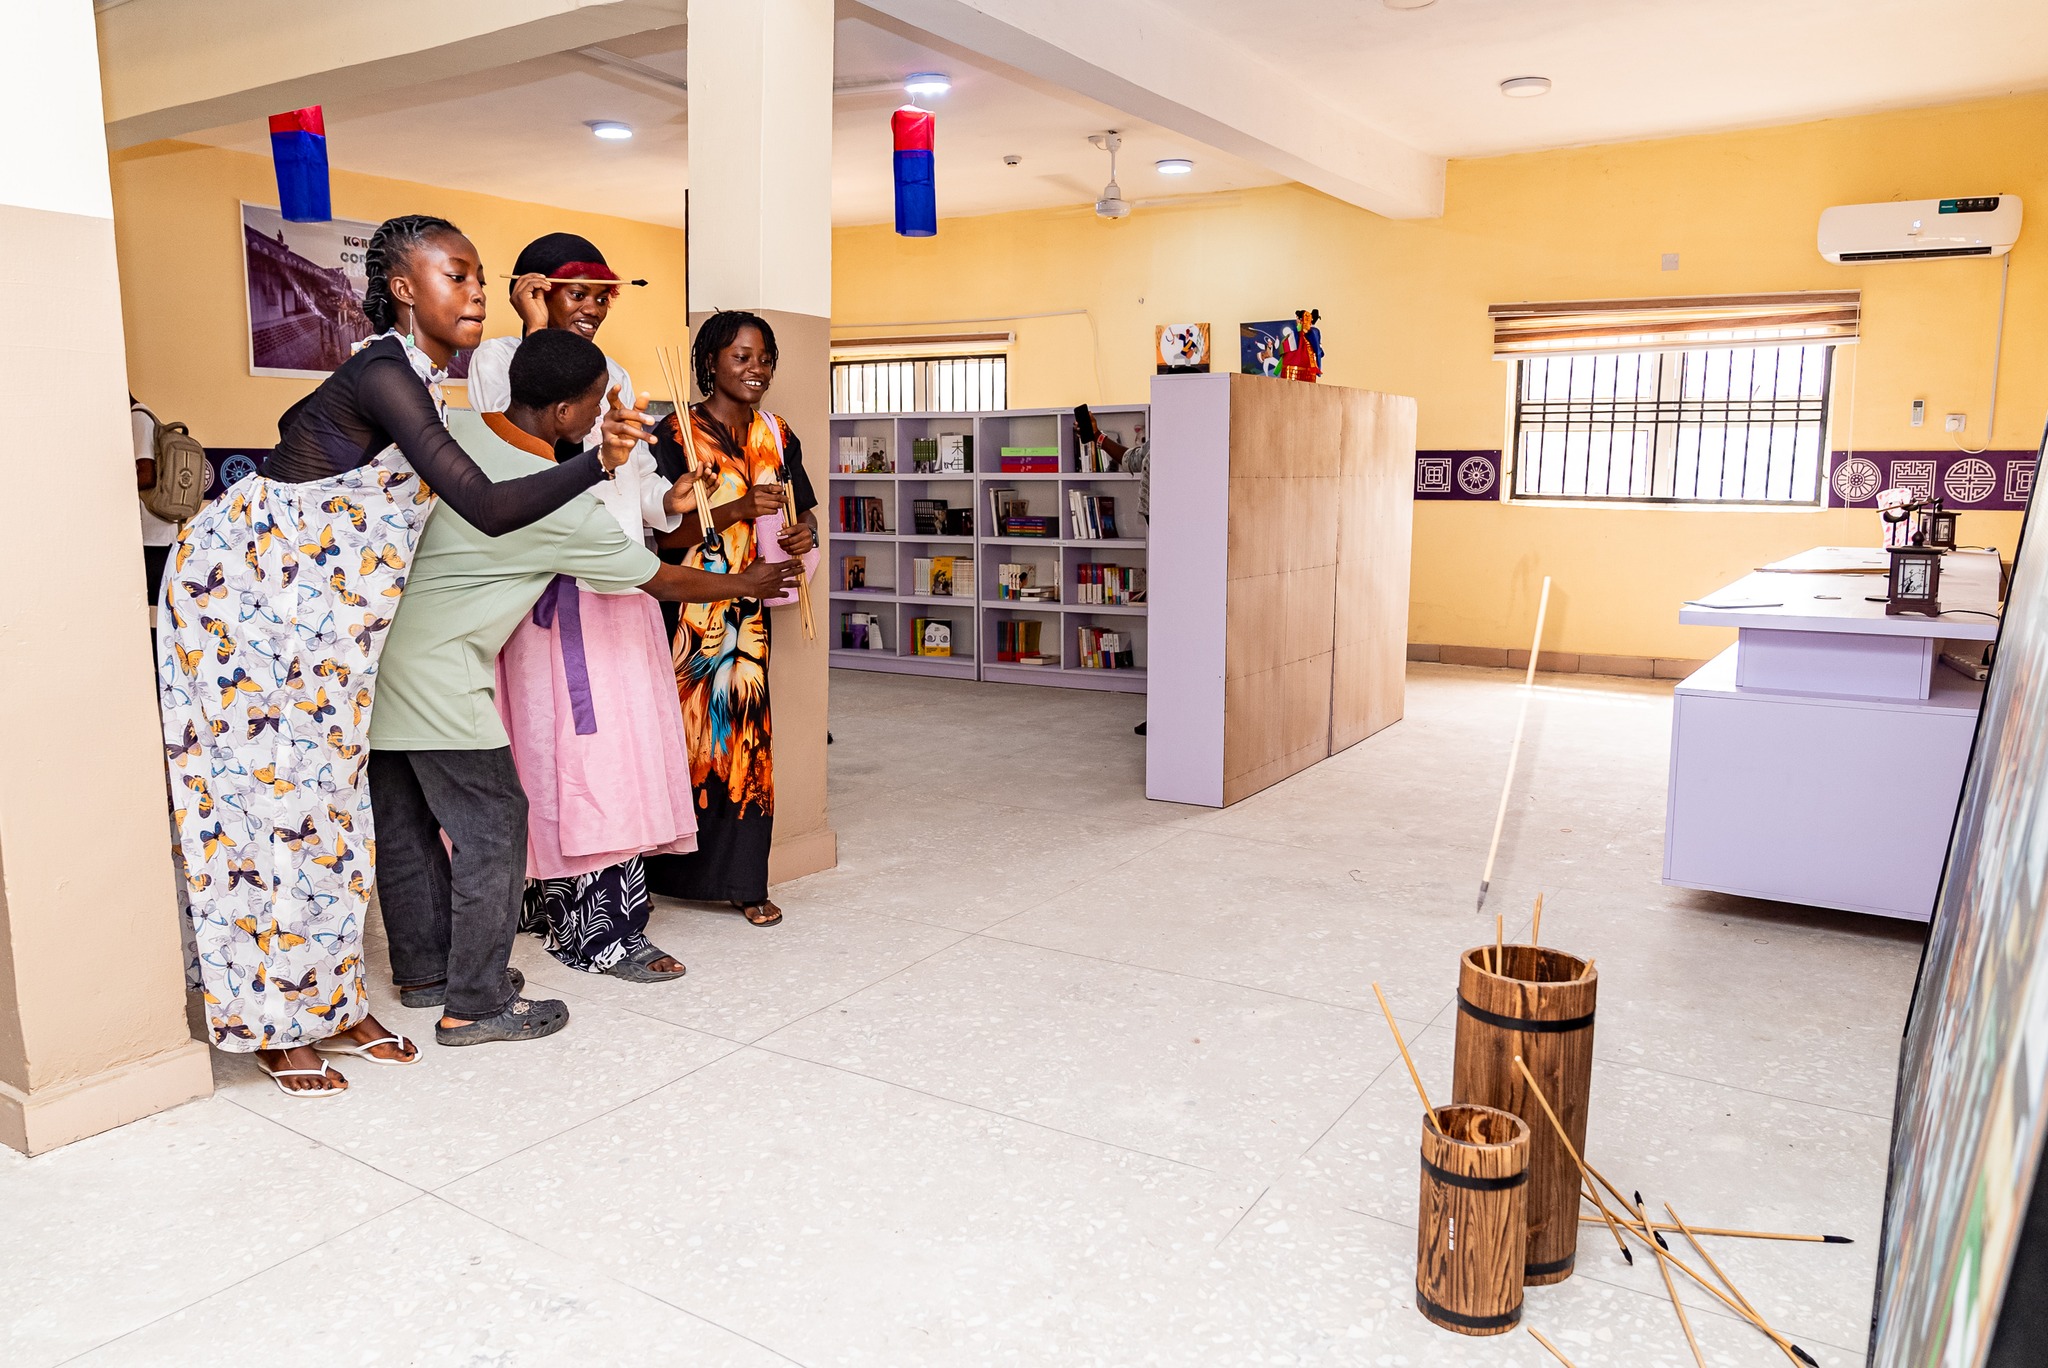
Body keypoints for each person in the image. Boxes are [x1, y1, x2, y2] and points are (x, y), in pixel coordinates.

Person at [159, 214, 628, 1096]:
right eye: (457, 275)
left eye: (482, 274)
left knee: (331, 811)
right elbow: (482, 503)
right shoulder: (384, 374)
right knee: (266, 810)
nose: (477, 289)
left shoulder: (421, 380)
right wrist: (594, 462)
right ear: (406, 289)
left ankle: (330, 1002)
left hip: (321, 618)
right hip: (251, 604)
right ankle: (272, 1021)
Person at [369, 330, 802, 1041]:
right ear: (567, 412)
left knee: (413, 827)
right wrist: (743, 581)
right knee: (496, 825)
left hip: (381, 657)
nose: (607, 417)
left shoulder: (459, 436)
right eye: (599, 404)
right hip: (444, 675)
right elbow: (655, 576)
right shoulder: (560, 505)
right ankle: (475, 1004)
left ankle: (423, 974)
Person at [643, 311, 818, 927]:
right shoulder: (674, 434)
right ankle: (662, 873)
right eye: (742, 357)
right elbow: (662, 539)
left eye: (765, 357)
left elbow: (805, 512)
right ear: (711, 361)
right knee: (685, 741)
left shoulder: (778, 431)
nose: (757, 369)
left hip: (753, 612)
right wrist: (740, 506)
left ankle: (746, 881)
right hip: (689, 610)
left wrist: (801, 535)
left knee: (747, 743)